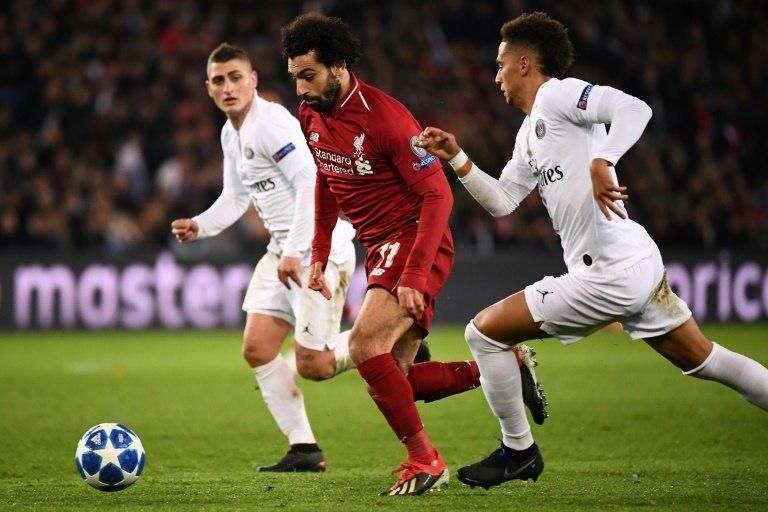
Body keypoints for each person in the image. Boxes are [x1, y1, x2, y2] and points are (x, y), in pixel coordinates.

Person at [417, 11, 768, 490]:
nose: (496, 76)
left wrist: (604, 159)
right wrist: (457, 158)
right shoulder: (529, 132)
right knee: (704, 360)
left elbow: (635, 109)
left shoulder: (558, 95)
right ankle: (518, 452)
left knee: (482, 334)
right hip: (635, 261)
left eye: (500, 65)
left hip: (606, 273)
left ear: (524, 64)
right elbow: (502, 201)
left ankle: (518, 452)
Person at [280, 12, 548, 496]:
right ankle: (503, 368)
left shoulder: (385, 117)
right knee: (395, 379)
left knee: (365, 347)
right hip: (378, 246)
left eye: (309, 75)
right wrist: (318, 250)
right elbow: (325, 177)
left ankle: (426, 461)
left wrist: (415, 275)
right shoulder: (311, 113)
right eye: (295, 77)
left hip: (413, 239)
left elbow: (438, 196)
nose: (300, 88)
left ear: (339, 66)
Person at [171, 43, 359, 472]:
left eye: (236, 77)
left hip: (318, 251)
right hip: (283, 252)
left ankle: (387, 337)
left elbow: (311, 181)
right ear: (208, 88)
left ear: (253, 80)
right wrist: (200, 225)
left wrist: (295, 251)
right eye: (219, 80)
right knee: (257, 348)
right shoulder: (231, 133)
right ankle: (304, 449)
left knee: (315, 365)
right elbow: (236, 197)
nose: (228, 87)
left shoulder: (270, 125)